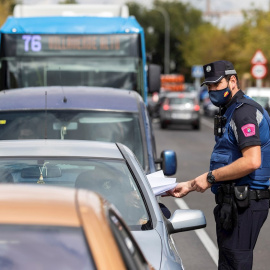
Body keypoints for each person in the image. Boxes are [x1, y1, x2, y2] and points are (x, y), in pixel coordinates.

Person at [169, 60, 270, 270]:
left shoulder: (244, 113)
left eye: (216, 84)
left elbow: (252, 161)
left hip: (245, 203)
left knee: (235, 264)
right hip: (233, 202)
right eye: (208, 86)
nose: (212, 90)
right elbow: (228, 161)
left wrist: (209, 177)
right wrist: (189, 185)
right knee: (228, 264)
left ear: (233, 81)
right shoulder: (230, 110)